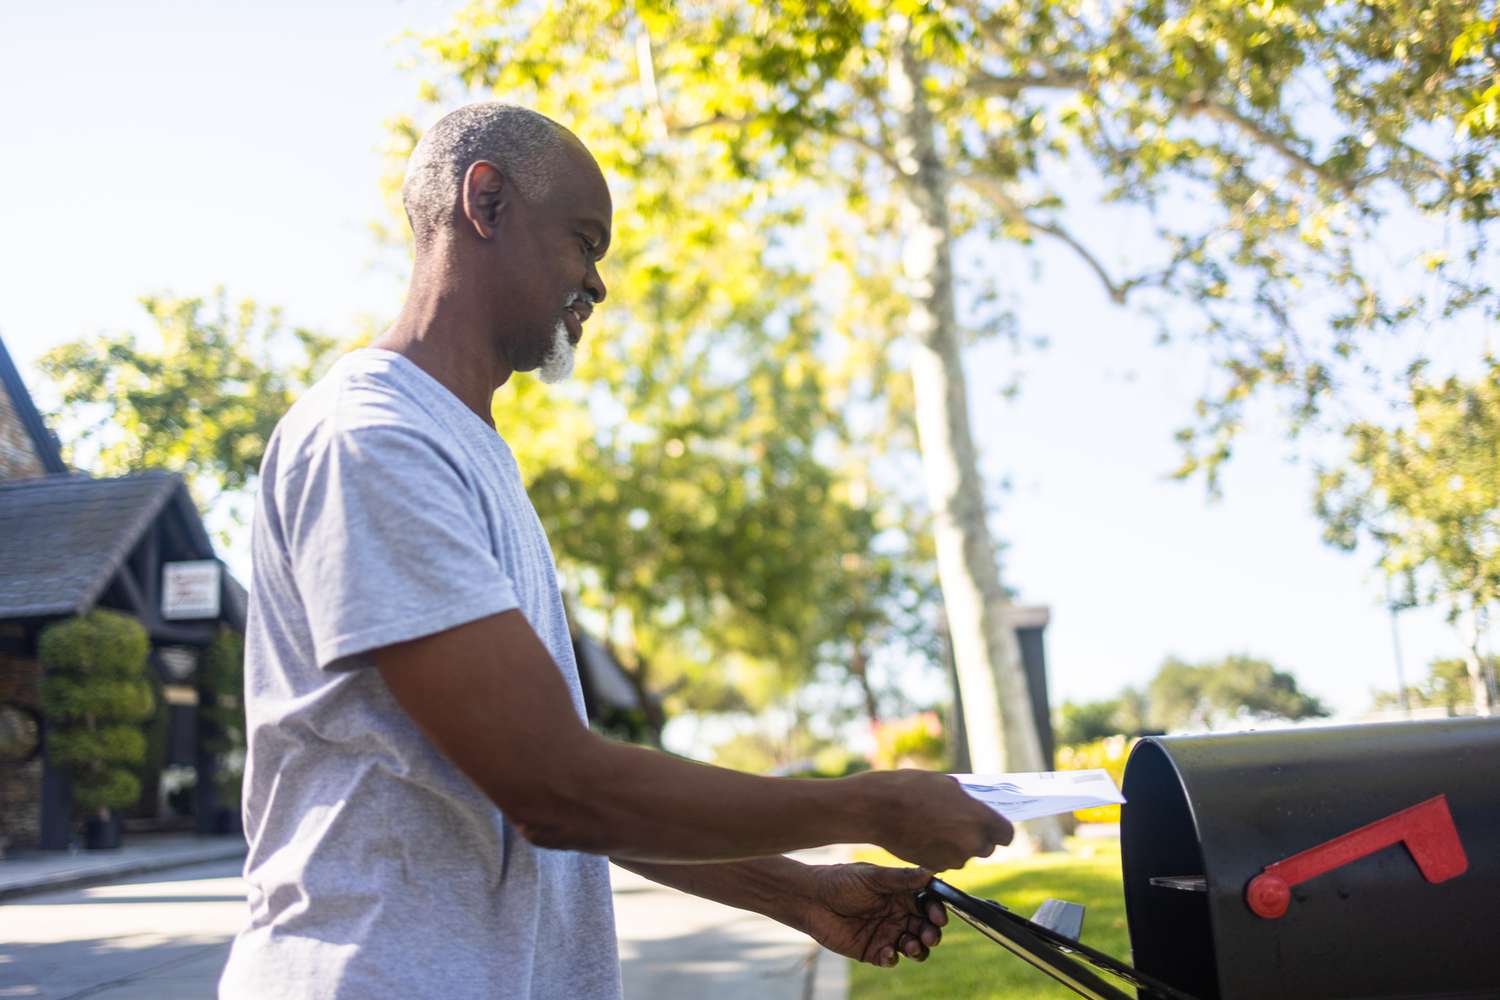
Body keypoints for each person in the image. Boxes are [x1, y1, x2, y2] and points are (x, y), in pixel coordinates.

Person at [218, 103, 1014, 1000]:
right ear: (485, 200)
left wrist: (801, 893)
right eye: (584, 241)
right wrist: (868, 805)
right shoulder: (371, 437)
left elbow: (545, 791)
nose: (598, 284)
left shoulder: (467, 450)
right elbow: (555, 787)